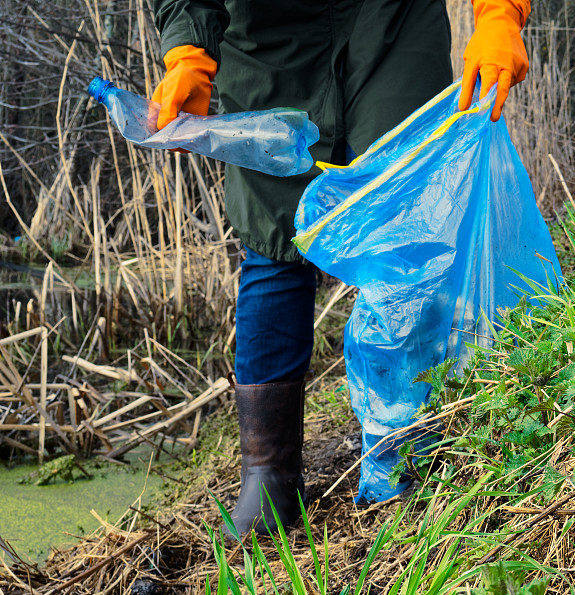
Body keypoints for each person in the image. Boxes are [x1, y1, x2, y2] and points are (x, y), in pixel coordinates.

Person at [151, 0, 533, 536]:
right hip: (264, 41)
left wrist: (499, 14)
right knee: (276, 242)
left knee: (408, 224)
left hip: (390, 19)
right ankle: (269, 474)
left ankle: (403, 457)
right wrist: (189, 50)